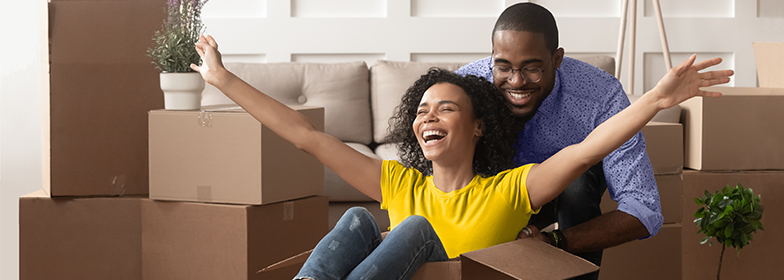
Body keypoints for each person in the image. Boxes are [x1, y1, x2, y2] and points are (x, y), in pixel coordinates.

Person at [190, 34, 732, 280]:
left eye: (444, 109)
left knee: (413, 231)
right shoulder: (399, 183)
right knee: (358, 219)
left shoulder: (510, 189)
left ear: (477, 127)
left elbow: (591, 148)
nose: (427, 117)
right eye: (421, 111)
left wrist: (657, 99)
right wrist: (222, 78)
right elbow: (304, 134)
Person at [454, 3, 673, 276]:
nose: (517, 82)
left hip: (567, 198)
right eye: (503, 67)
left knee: (577, 183)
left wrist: (554, 241)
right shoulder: (464, 88)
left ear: (557, 59)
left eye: (532, 68)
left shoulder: (601, 95)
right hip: (492, 193)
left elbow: (644, 210)